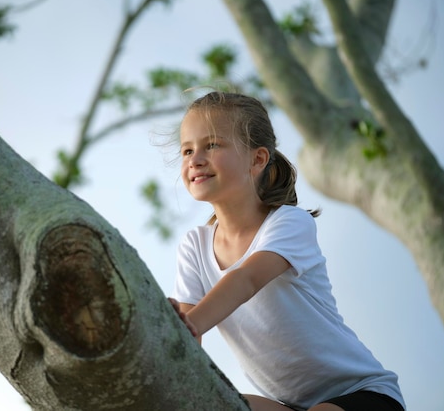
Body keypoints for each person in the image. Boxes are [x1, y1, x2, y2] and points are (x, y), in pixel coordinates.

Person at [169, 91, 405, 411]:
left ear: (258, 159)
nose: (195, 158)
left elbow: (247, 279)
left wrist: (190, 322)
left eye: (212, 145)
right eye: (187, 150)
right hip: (289, 405)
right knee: (213, 403)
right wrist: (172, 328)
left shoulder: (289, 222)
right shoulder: (194, 246)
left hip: (363, 394)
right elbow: (188, 339)